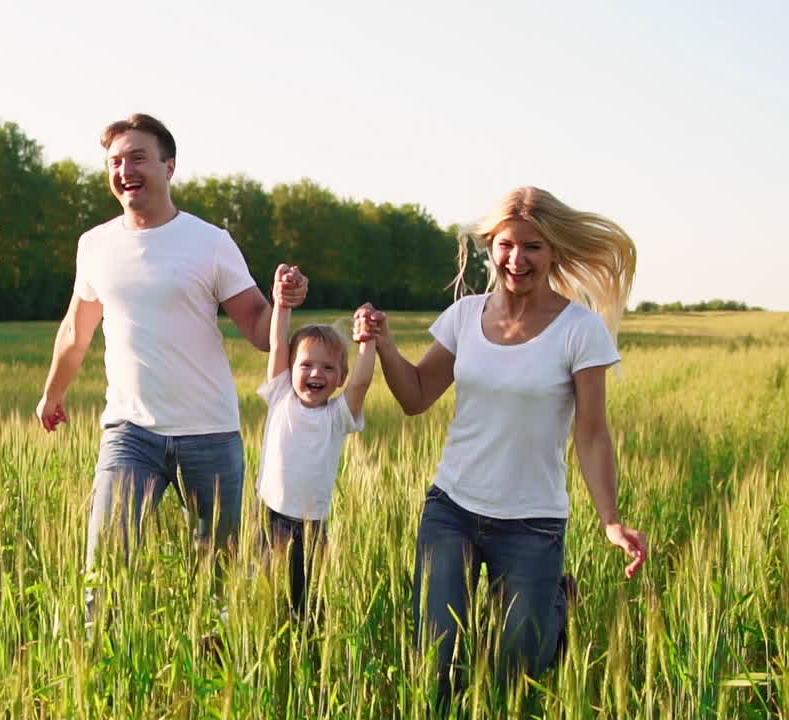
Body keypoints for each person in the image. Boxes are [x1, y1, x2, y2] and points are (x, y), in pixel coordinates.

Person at [357, 186, 649, 703]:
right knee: (438, 664)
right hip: (452, 509)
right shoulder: (464, 316)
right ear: (490, 247)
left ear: (554, 249)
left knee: (520, 673)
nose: (518, 259)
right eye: (507, 245)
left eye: (533, 246)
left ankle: (554, 605)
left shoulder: (579, 330)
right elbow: (417, 396)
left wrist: (610, 519)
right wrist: (384, 346)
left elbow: (593, 432)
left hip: (533, 522)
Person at [35, 114, 307, 616]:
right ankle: (98, 675)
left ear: (169, 166)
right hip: (129, 432)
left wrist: (284, 303)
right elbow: (77, 328)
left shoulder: (210, 242)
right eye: (114, 162)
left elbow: (256, 326)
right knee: (106, 570)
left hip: (210, 433)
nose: (124, 170)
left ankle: (214, 676)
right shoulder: (95, 245)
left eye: (137, 158)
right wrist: (53, 392)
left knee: (218, 583)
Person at [255, 264, 376, 617]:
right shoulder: (281, 396)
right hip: (269, 516)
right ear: (290, 369)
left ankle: (306, 652)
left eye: (327, 368)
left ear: (340, 378)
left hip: (313, 526)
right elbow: (278, 343)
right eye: (306, 365)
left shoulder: (338, 417)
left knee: (307, 604)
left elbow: (362, 384)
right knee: (260, 595)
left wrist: (366, 341)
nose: (315, 374)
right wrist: (282, 303)